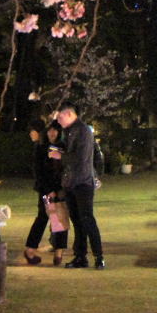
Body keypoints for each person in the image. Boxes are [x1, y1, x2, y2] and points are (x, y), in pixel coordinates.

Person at [55, 105, 105, 269]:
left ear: (69, 114)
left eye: (60, 117)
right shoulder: (70, 131)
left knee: (87, 218)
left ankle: (98, 256)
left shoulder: (83, 131)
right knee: (77, 220)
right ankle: (80, 256)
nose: (58, 120)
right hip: (71, 181)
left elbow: (80, 157)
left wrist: (59, 156)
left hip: (82, 181)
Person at [24, 123, 68, 266]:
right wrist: (49, 189)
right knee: (45, 217)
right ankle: (32, 249)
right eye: (49, 130)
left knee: (58, 218)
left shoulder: (62, 148)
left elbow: (64, 169)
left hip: (59, 189)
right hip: (47, 189)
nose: (52, 133)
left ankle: (58, 251)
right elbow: (39, 171)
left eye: (55, 130)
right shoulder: (42, 148)